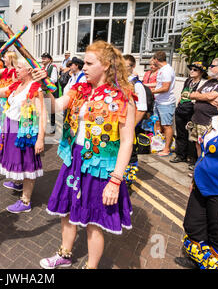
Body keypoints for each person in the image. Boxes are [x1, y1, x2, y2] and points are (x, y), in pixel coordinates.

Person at [37, 40, 136, 269]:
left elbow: (128, 141)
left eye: (89, 63)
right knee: (67, 210)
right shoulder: (81, 88)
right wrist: (44, 85)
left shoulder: (123, 96)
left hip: (101, 165)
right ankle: (64, 254)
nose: (84, 67)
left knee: (94, 222)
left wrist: (116, 180)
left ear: (107, 66)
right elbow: (55, 106)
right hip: (75, 158)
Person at [180, 82, 218, 269]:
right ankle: (197, 261)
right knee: (194, 226)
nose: (216, 99)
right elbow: (204, 154)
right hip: (202, 185)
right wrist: (195, 179)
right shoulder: (216, 121)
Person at [0, 59, 46, 213]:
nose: (15, 70)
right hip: (10, 128)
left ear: (29, 70)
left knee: (27, 163)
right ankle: (19, 182)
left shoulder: (35, 88)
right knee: (16, 160)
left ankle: (25, 201)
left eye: (19, 68)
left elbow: (42, 114)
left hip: (24, 132)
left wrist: (40, 139)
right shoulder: (16, 85)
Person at [188, 56, 218, 160]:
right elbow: (192, 94)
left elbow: (210, 96)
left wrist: (204, 97)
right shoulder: (211, 81)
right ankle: (200, 166)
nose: (209, 68)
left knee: (209, 146)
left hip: (211, 121)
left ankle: (206, 168)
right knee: (198, 144)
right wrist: (208, 98)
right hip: (198, 119)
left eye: (212, 66)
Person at [170, 62, 207, 166]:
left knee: (194, 136)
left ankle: (193, 159)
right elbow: (183, 94)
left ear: (201, 72)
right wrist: (178, 104)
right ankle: (181, 155)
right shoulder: (188, 80)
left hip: (192, 111)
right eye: (191, 69)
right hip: (181, 109)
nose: (191, 71)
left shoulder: (202, 83)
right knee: (181, 133)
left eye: (195, 70)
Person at [124, 54, 148, 187]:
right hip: (119, 126)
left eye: (125, 65)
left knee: (130, 154)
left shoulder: (137, 85)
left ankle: (128, 183)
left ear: (133, 67)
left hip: (130, 127)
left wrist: (130, 127)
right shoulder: (119, 82)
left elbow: (142, 109)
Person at [151, 51, 176, 157]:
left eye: (153, 59)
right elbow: (159, 84)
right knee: (157, 123)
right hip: (159, 101)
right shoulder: (162, 70)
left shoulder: (166, 71)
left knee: (166, 126)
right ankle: (159, 145)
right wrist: (145, 85)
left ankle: (166, 149)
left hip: (166, 103)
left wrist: (151, 91)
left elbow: (165, 88)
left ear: (156, 60)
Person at [41, 52, 59, 132]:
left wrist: (45, 79)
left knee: (51, 110)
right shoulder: (43, 68)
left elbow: (54, 80)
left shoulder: (53, 67)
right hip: (44, 91)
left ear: (50, 59)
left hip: (51, 91)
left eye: (45, 58)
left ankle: (52, 127)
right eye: (42, 58)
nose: (43, 59)